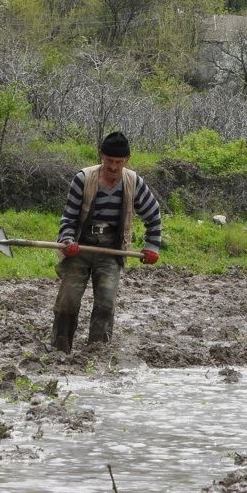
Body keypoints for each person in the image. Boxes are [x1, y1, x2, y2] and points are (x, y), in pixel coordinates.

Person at [52, 131, 163, 353]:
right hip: (81, 245)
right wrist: (67, 240)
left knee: (106, 301)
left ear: (127, 160)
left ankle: (98, 351)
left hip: (112, 248)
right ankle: (59, 348)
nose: (113, 166)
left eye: (118, 162)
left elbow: (153, 214)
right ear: (101, 155)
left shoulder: (133, 182)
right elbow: (70, 216)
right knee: (68, 300)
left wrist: (152, 246)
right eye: (109, 160)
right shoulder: (83, 179)